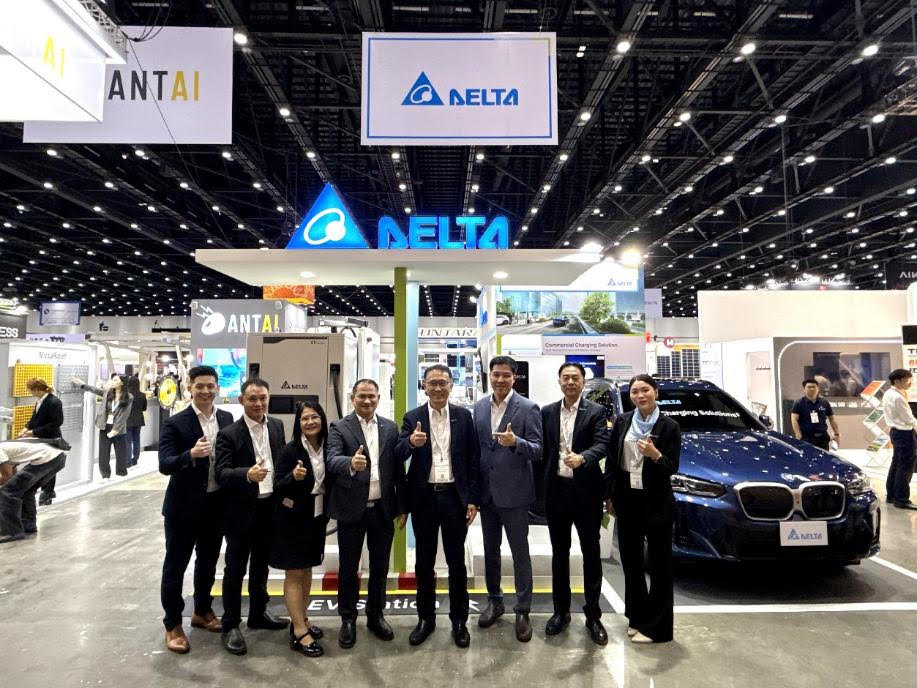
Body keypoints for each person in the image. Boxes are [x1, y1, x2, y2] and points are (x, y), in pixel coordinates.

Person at [397, 364, 480, 648]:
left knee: (457, 563)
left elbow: (473, 458)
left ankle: (459, 621)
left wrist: (472, 498)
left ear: (451, 385)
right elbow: (397, 452)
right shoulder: (413, 417)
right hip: (424, 498)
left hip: (455, 498)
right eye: (432, 383)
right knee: (424, 562)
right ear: (424, 386)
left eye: (443, 382)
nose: (438, 388)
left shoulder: (463, 416)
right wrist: (411, 442)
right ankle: (426, 619)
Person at [158, 365, 234, 654]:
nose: (205, 391)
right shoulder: (175, 423)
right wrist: (190, 454)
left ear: (217, 388)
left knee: (208, 561)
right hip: (183, 508)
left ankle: (202, 610)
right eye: (199, 386)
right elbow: (165, 464)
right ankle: (172, 624)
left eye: (210, 386)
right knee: (176, 565)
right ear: (189, 387)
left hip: (215, 504)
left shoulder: (226, 418)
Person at [326, 378, 406, 649]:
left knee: (380, 567)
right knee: (349, 567)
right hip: (351, 509)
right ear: (353, 398)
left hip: (383, 509)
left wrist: (401, 506)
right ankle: (348, 618)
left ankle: (376, 615)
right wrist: (351, 462)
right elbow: (331, 458)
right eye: (362, 396)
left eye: (372, 396)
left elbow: (397, 470)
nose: (367, 401)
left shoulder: (390, 427)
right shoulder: (339, 427)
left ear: (379, 398)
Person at [605, 374, 681, 644]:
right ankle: (637, 618)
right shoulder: (623, 421)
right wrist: (609, 495)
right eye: (635, 392)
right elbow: (612, 460)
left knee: (660, 565)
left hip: (656, 500)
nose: (640, 396)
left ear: (656, 392)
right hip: (627, 498)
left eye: (645, 390)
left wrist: (655, 455)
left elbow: (672, 467)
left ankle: (659, 628)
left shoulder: (669, 427)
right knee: (631, 563)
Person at [215, 378, 288, 655]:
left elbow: (281, 461)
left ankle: (258, 613)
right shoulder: (229, 434)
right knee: (235, 569)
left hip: (270, 508)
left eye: (263, 398)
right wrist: (246, 474)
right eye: (252, 399)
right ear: (241, 401)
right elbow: (221, 473)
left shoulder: (277, 426)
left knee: (261, 564)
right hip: (241, 511)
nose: (258, 404)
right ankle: (230, 624)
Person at [473, 355, 542, 643]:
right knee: (491, 551)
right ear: (489, 376)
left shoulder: (527, 408)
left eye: (505, 375)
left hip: (515, 494)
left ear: (514, 377)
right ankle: (495, 601)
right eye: (496, 374)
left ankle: (522, 609)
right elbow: (477, 450)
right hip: (487, 495)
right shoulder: (479, 407)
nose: (500, 379)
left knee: (519, 553)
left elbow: (537, 449)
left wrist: (516, 443)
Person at [542, 362, 609, 645]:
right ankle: (561, 612)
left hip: (586, 493)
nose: (570, 382)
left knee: (591, 554)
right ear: (559, 381)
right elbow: (543, 450)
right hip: (557, 491)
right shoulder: (547, 412)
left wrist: (583, 458)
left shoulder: (596, 412)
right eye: (565, 378)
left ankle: (593, 616)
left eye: (575, 378)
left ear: (583, 382)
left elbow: (603, 444)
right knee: (559, 554)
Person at [270, 401, 331, 658]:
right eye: (305, 419)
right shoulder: (290, 450)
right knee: (294, 573)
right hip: (291, 519)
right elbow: (277, 485)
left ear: (322, 419)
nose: (310, 422)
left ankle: (302, 618)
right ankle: (298, 630)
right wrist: (293, 477)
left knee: (307, 570)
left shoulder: (329, 446)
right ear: (298, 423)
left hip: (316, 517)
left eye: (314, 417)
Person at [0, 438, 68, 543]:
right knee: (26, 491)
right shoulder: (5, 447)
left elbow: (7, 476)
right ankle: (28, 526)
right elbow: (12, 473)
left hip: (48, 458)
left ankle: (12, 532)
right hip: (58, 457)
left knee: (6, 493)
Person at [73, 374, 132, 479]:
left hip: (119, 428)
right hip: (105, 426)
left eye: (115, 380)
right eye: (112, 380)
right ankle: (105, 475)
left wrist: (115, 430)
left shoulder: (129, 397)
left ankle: (121, 472)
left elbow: (124, 415)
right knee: (103, 452)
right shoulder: (108, 392)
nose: (113, 382)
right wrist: (83, 385)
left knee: (120, 452)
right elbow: (96, 390)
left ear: (122, 383)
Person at [18, 377, 64, 506]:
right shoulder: (39, 401)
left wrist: (33, 432)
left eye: (31, 390)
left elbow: (57, 422)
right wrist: (25, 428)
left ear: (37, 389)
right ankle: (47, 491)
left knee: (49, 466)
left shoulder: (54, 402)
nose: (30, 393)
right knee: (42, 464)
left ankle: (47, 493)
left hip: (51, 438)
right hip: (41, 438)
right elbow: (34, 419)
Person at [882, 369, 917, 510]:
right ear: (897, 381)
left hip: (896, 432)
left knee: (896, 463)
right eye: (907, 380)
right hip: (904, 433)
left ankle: (891, 495)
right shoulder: (898, 397)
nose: (910, 383)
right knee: (905, 467)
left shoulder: (888, 394)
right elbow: (908, 419)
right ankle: (901, 499)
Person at [790, 379, 839, 450]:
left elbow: (832, 419)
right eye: (809, 387)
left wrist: (836, 433)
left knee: (823, 456)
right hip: (806, 438)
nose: (812, 389)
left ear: (818, 389)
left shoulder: (824, 402)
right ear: (804, 389)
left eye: (814, 387)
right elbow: (794, 419)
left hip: (822, 438)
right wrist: (798, 435)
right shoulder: (799, 403)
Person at [125, 376, 148, 468]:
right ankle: (135, 459)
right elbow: (144, 408)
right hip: (139, 420)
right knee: (136, 440)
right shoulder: (142, 395)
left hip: (128, 420)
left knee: (128, 441)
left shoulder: (126, 395)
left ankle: (128, 461)